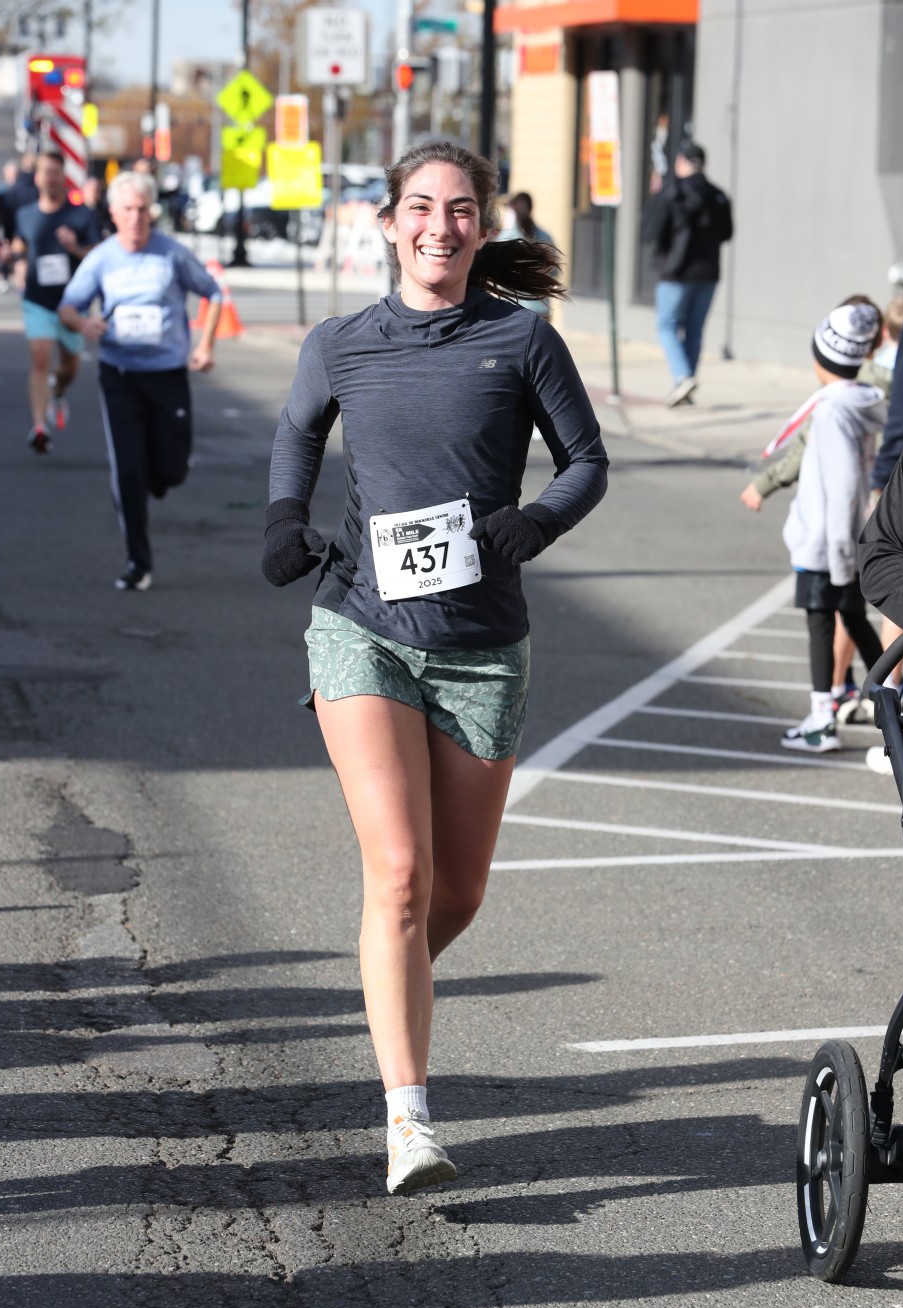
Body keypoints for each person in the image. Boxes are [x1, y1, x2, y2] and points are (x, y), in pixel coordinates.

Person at [263, 139, 609, 1196]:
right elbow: (297, 432)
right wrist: (283, 518)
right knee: (403, 875)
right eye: (420, 206)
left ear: (482, 227)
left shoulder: (521, 337)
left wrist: (536, 523)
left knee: (454, 892)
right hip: (361, 625)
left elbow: (586, 461)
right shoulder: (342, 342)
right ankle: (408, 1120)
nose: (440, 226)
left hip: (481, 647)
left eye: (460, 209)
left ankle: (390, 974)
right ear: (387, 222)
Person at [58, 170, 223, 591]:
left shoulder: (171, 254)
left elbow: (213, 292)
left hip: (168, 376)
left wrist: (206, 345)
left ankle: (160, 475)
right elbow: (68, 307)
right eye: (127, 209)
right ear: (113, 212)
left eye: (142, 209)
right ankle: (137, 561)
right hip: (120, 375)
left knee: (170, 471)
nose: (135, 217)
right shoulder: (101, 259)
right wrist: (84, 323)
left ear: (151, 212)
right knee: (127, 471)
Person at [773, 302, 886, 752]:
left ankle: (822, 721)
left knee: (821, 622)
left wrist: (839, 556)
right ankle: (894, 698)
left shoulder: (833, 411)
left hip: (827, 543)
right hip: (844, 538)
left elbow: (841, 488)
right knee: (854, 617)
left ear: (821, 357)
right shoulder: (857, 403)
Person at [12, 149, 99, 452]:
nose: (50, 178)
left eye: (55, 172)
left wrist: (75, 248)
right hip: (37, 299)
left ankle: (58, 391)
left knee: (70, 368)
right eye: (45, 172)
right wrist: (16, 261)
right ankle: (39, 427)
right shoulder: (25, 214)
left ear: (64, 177)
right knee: (39, 358)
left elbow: (97, 256)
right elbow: (20, 245)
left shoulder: (81, 215)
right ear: (36, 178)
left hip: (73, 303)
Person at [643, 140, 733, 407]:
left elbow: (650, 231)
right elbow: (727, 233)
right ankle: (686, 383)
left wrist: (657, 197)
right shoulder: (718, 194)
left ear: (681, 162)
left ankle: (683, 378)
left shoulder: (672, 191)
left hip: (676, 272)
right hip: (708, 272)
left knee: (667, 325)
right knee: (694, 330)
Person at [497, 191, 555, 319]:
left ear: (513, 210)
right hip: (541, 310)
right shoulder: (545, 237)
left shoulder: (505, 238)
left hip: (513, 311)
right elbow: (555, 272)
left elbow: (498, 276)